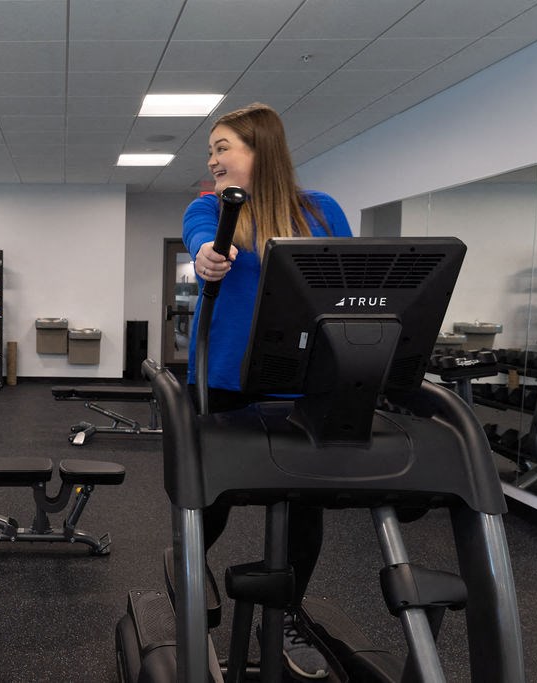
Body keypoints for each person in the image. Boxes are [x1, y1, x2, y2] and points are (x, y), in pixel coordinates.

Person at [184, 103, 352, 680]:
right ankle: (188, 589)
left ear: (261, 150)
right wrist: (209, 257)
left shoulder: (320, 210)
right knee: (215, 500)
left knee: (305, 503)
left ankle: (287, 614)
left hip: (301, 378)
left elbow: (345, 280)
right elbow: (204, 242)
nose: (213, 158)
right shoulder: (209, 208)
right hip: (224, 377)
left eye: (223, 146)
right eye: (212, 149)